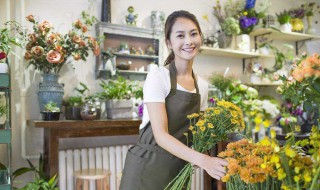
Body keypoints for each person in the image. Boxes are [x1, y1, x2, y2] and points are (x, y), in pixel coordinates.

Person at [120, 10, 228, 190]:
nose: (189, 41)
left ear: (200, 37)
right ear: (169, 43)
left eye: (194, 34)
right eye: (180, 35)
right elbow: (161, 135)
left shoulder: (202, 86)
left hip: (177, 170)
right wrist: (204, 161)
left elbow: (197, 132)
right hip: (147, 168)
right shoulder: (158, 76)